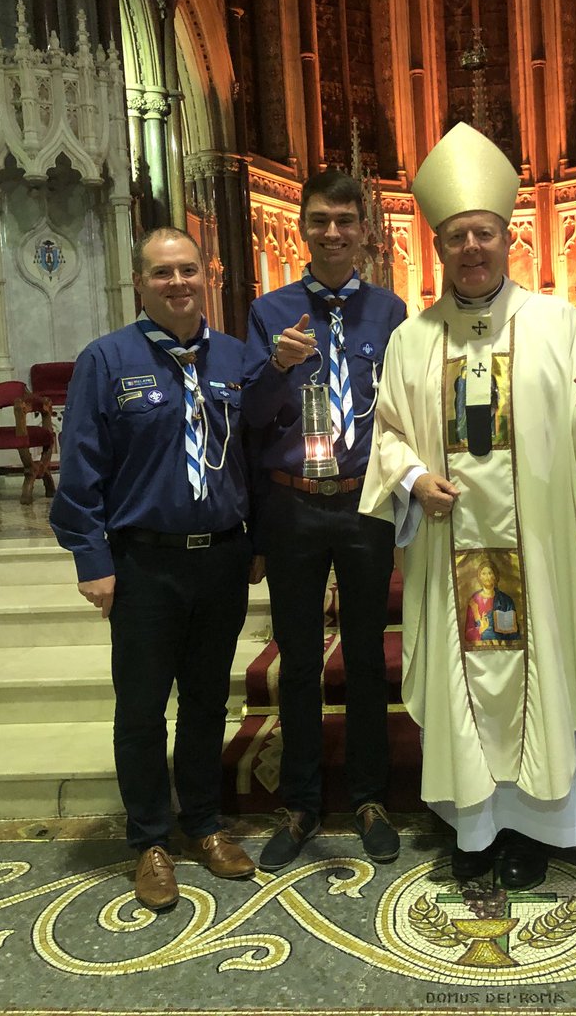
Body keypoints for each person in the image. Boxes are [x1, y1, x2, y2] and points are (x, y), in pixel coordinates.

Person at [360, 122, 576, 889]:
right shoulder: (412, 340)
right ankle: (477, 827)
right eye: (457, 237)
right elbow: (386, 433)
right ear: (440, 246)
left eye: (483, 232)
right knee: (466, 683)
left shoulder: (558, 325)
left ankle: (549, 821)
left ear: (507, 235)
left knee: (545, 668)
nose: (472, 247)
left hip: (541, 553)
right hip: (455, 551)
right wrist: (415, 478)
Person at [50, 228, 258, 911]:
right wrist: (91, 557)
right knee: (142, 708)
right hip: (143, 562)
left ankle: (202, 822)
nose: (178, 283)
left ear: (209, 277)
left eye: (189, 270)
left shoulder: (234, 358)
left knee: (206, 701)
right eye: (162, 273)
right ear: (140, 283)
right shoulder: (107, 360)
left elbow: (250, 455)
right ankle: (149, 839)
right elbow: (80, 468)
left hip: (221, 559)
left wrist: (254, 538)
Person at [242, 169, 407, 871]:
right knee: (301, 659)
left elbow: (406, 408)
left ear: (364, 228)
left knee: (367, 657)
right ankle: (303, 802)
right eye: (320, 220)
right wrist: (276, 369)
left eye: (345, 219)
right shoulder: (269, 310)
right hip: (294, 504)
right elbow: (245, 417)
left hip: (365, 501)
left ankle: (370, 796)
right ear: (301, 227)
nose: (333, 232)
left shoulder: (392, 313)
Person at [464, 558, 520, 644]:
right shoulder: (474, 600)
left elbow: (513, 634)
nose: (487, 577)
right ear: (479, 577)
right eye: (483, 573)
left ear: (495, 576)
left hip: (500, 647)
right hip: (478, 649)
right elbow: (467, 633)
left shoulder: (506, 600)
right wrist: (480, 629)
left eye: (490, 573)